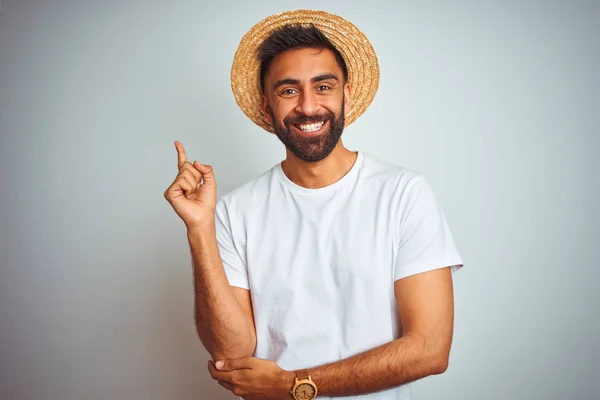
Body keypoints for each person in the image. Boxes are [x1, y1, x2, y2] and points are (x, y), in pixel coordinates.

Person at [164, 9, 464, 400]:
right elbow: (231, 354)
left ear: (347, 95)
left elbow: (430, 349)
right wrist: (199, 228)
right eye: (289, 90)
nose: (308, 106)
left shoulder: (404, 194)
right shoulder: (236, 212)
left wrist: (294, 385)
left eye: (323, 86)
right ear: (267, 106)